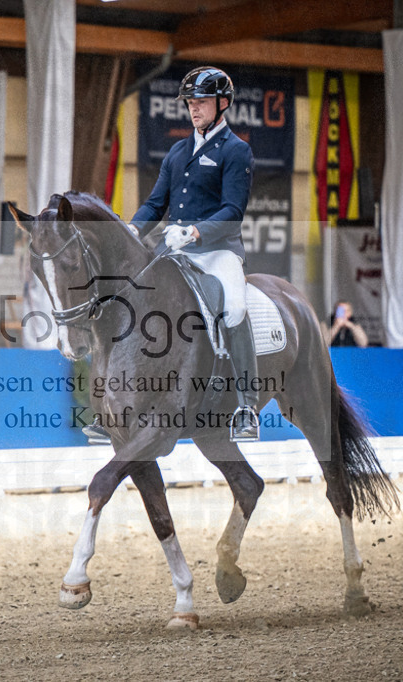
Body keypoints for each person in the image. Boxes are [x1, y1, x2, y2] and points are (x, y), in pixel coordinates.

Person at [130, 65, 259, 442]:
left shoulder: (236, 151)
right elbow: (156, 204)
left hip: (218, 250)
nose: (193, 108)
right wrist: (133, 228)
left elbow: (233, 210)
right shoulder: (178, 150)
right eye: (190, 102)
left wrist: (195, 231)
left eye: (200, 101)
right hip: (175, 247)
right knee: (134, 296)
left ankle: (247, 406)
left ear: (222, 104)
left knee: (234, 306)